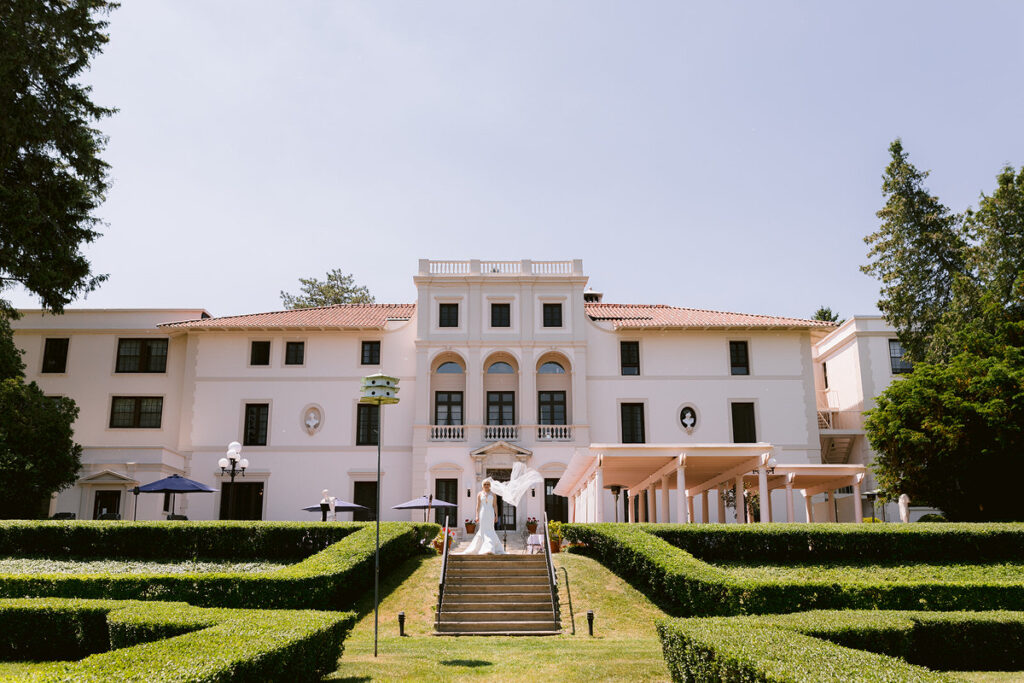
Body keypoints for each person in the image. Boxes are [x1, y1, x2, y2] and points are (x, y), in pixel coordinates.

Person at [460, 479, 505, 555]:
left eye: (488, 484)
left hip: (490, 513)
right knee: (483, 530)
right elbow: (478, 506)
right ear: (482, 485)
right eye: (485, 484)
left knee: (490, 529)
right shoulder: (479, 494)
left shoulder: (493, 494)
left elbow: (495, 505)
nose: (486, 486)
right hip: (483, 513)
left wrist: (496, 515)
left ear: (490, 485)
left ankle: (490, 548)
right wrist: (477, 516)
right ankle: (484, 548)